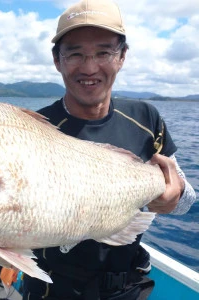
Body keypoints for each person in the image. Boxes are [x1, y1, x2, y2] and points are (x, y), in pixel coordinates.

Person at [21, 0, 197, 299]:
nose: (90, 67)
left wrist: (174, 197)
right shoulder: (32, 128)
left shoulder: (146, 117)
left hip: (128, 286)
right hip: (51, 288)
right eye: (75, 53)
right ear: (57, 60)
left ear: (122, 56)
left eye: (104, 52)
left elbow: (184, 196)